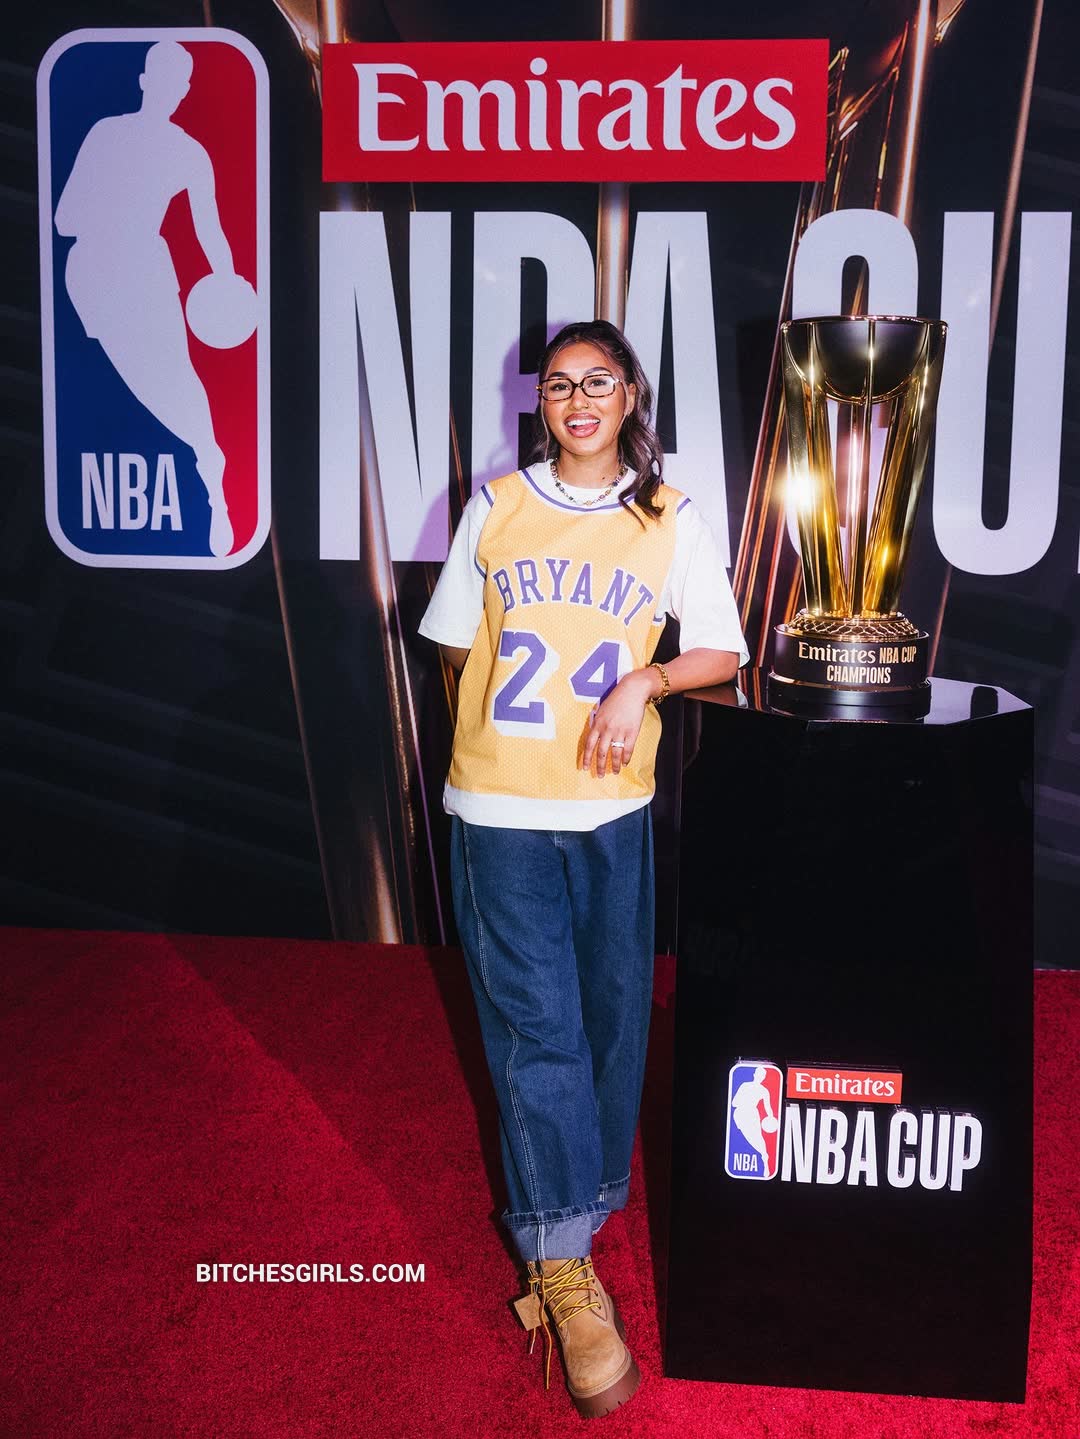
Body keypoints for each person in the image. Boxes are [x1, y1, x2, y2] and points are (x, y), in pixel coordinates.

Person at [419, 319, 747, 1418]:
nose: (578, 400)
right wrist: (498, 753)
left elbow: (722, 650)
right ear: (543, 403)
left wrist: (643, 682)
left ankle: (583, 1199)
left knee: (611, 1019)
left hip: (613, 809)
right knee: (540, 1030)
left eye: (597, 381)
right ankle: (561, 1265)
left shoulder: (670, 516)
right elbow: (456, 644)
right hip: (503, 808)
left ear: (630, 395)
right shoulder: (496, 506)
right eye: (559, 384)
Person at [54, 40, 241, 557]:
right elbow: (64, 219)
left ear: (184, 91)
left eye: (177, 83)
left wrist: (228, 282)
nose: (169, 91)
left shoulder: (190, 153)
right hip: (94, 276)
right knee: (148, 385)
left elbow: (210, 230)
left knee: (177, 376)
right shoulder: (106, 133)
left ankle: (213, 472)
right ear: (146, 81)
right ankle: (209, 457)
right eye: (163, 79)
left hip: (146, 272)